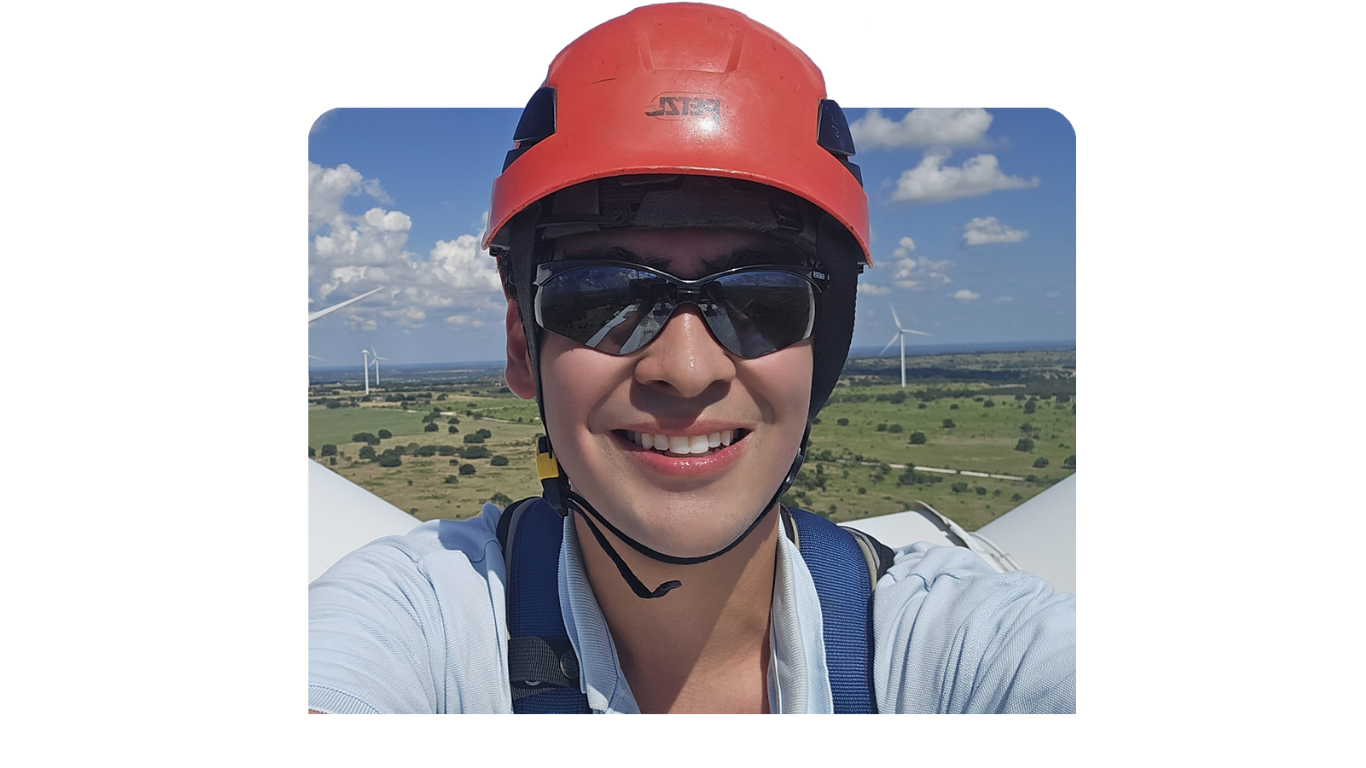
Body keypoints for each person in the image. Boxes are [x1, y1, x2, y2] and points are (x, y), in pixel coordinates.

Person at [308, 2, 1075, 714]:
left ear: (825, 348)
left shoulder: (958, 650)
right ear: (521, 344)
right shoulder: (420, 618)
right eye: (602, 295)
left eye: (763, 300)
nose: (686, 367)